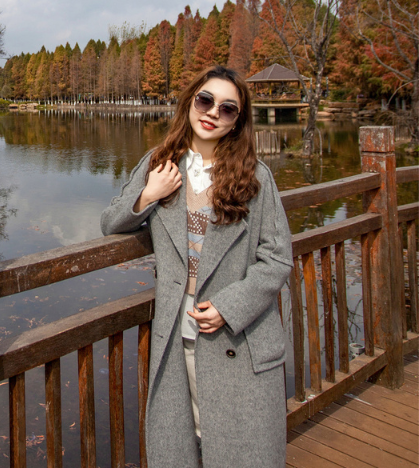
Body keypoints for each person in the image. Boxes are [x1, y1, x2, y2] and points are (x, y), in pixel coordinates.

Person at [101, 65, 292, 468]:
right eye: (205, 100)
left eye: (227, 109)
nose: (211, 113)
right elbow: (111, 222)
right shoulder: (160, 163)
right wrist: (148, 195)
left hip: (238, 338)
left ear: (237, 121)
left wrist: (230, 305)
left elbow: (276, 257)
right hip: (177, 334)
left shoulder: (255, 177)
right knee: (184, 447)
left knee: (241, 451)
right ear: (190, 100)